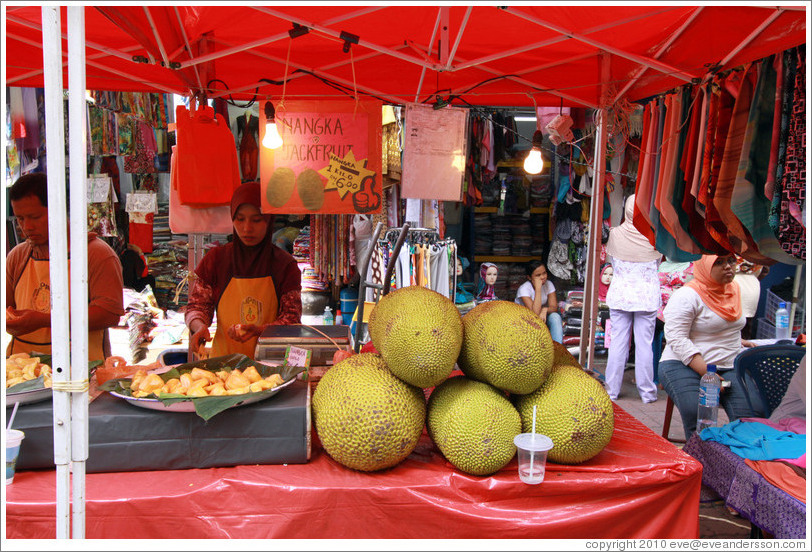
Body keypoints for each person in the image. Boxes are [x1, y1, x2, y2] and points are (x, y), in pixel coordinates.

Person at [6, 172, 125, 361]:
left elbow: (109, 314)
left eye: (34, 217)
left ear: (58, 209)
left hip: (81, 370)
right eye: (20, 219)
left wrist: (43, 320)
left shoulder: (96, 254)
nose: (26, 226)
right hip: (23, 373)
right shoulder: (18, 256)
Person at [185, 181, 302, 358]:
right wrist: (199, 325)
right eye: (240, 219)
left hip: (270, 368)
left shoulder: (285, 265)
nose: (247, 228)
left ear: (269, 219)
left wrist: (261, 330)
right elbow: (197, 306)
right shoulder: (216, 259)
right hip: (223, 367)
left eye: (256, 220)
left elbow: (292, 320)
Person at [658, 254, 757, 440]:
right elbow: (676, 337)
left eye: (730, 261)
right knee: (697, 415)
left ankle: (738, 462)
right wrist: (707, 373)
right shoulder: (687, 295)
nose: (728, 266)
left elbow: (727, 325)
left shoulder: (734, 289)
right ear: (704, 267)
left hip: (728, 363)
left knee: (751, 415)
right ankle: (703, 460)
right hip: (682, 363)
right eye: (719, 263)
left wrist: (739, 341)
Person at [604, 194, 663, 403]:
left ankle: (611, 391)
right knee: (644, 345)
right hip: (646, 296)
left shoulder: (614, 235)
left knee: (618, 344)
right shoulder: (656, 237)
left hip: (620, 295)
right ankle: (647, 393)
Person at [514, 260, 563, 343]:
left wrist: (545, 310)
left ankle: (557, 348)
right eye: (538, 275)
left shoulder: (549, 284)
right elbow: (535, 313)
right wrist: (538, 289)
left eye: (544, 273)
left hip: (542, 318)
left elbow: (554, 307)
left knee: (555, 316)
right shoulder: (524, 289)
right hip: (525, 321)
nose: (543, 277)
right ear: (529, 277)